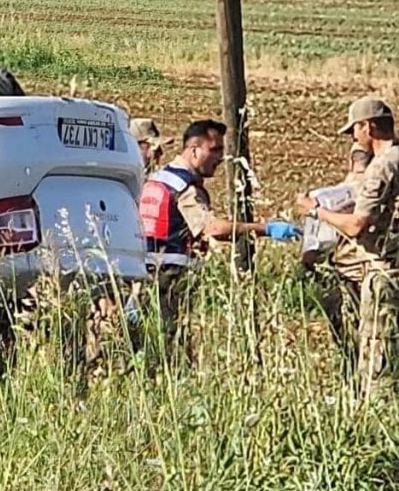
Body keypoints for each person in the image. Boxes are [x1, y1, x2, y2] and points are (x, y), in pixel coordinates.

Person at [136, 118, 299, 371]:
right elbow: (212, 228)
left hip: (144, 273)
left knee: (146, 345)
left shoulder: (157, 179)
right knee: (171, 354)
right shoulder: (184, 188)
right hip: (168, 278)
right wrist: (265, 228)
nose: (221, 158)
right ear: (193, 150)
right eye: (214, 150)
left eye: (222, 150)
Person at [295, 97, 399, 400]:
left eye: (355, 130)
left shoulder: (384, 166)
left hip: (386, 272)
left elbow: (357, 225)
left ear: (368, 126)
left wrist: (316, 210)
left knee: (379, 358)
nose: (355, 137)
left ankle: (378, 427)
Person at [300, 142, 374, 381]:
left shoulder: (326, 198)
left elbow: (313, 253)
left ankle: (354, 389)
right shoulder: (386, 192)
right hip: (384, 279)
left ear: (351, 162)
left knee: (350, 345)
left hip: (348, 279)